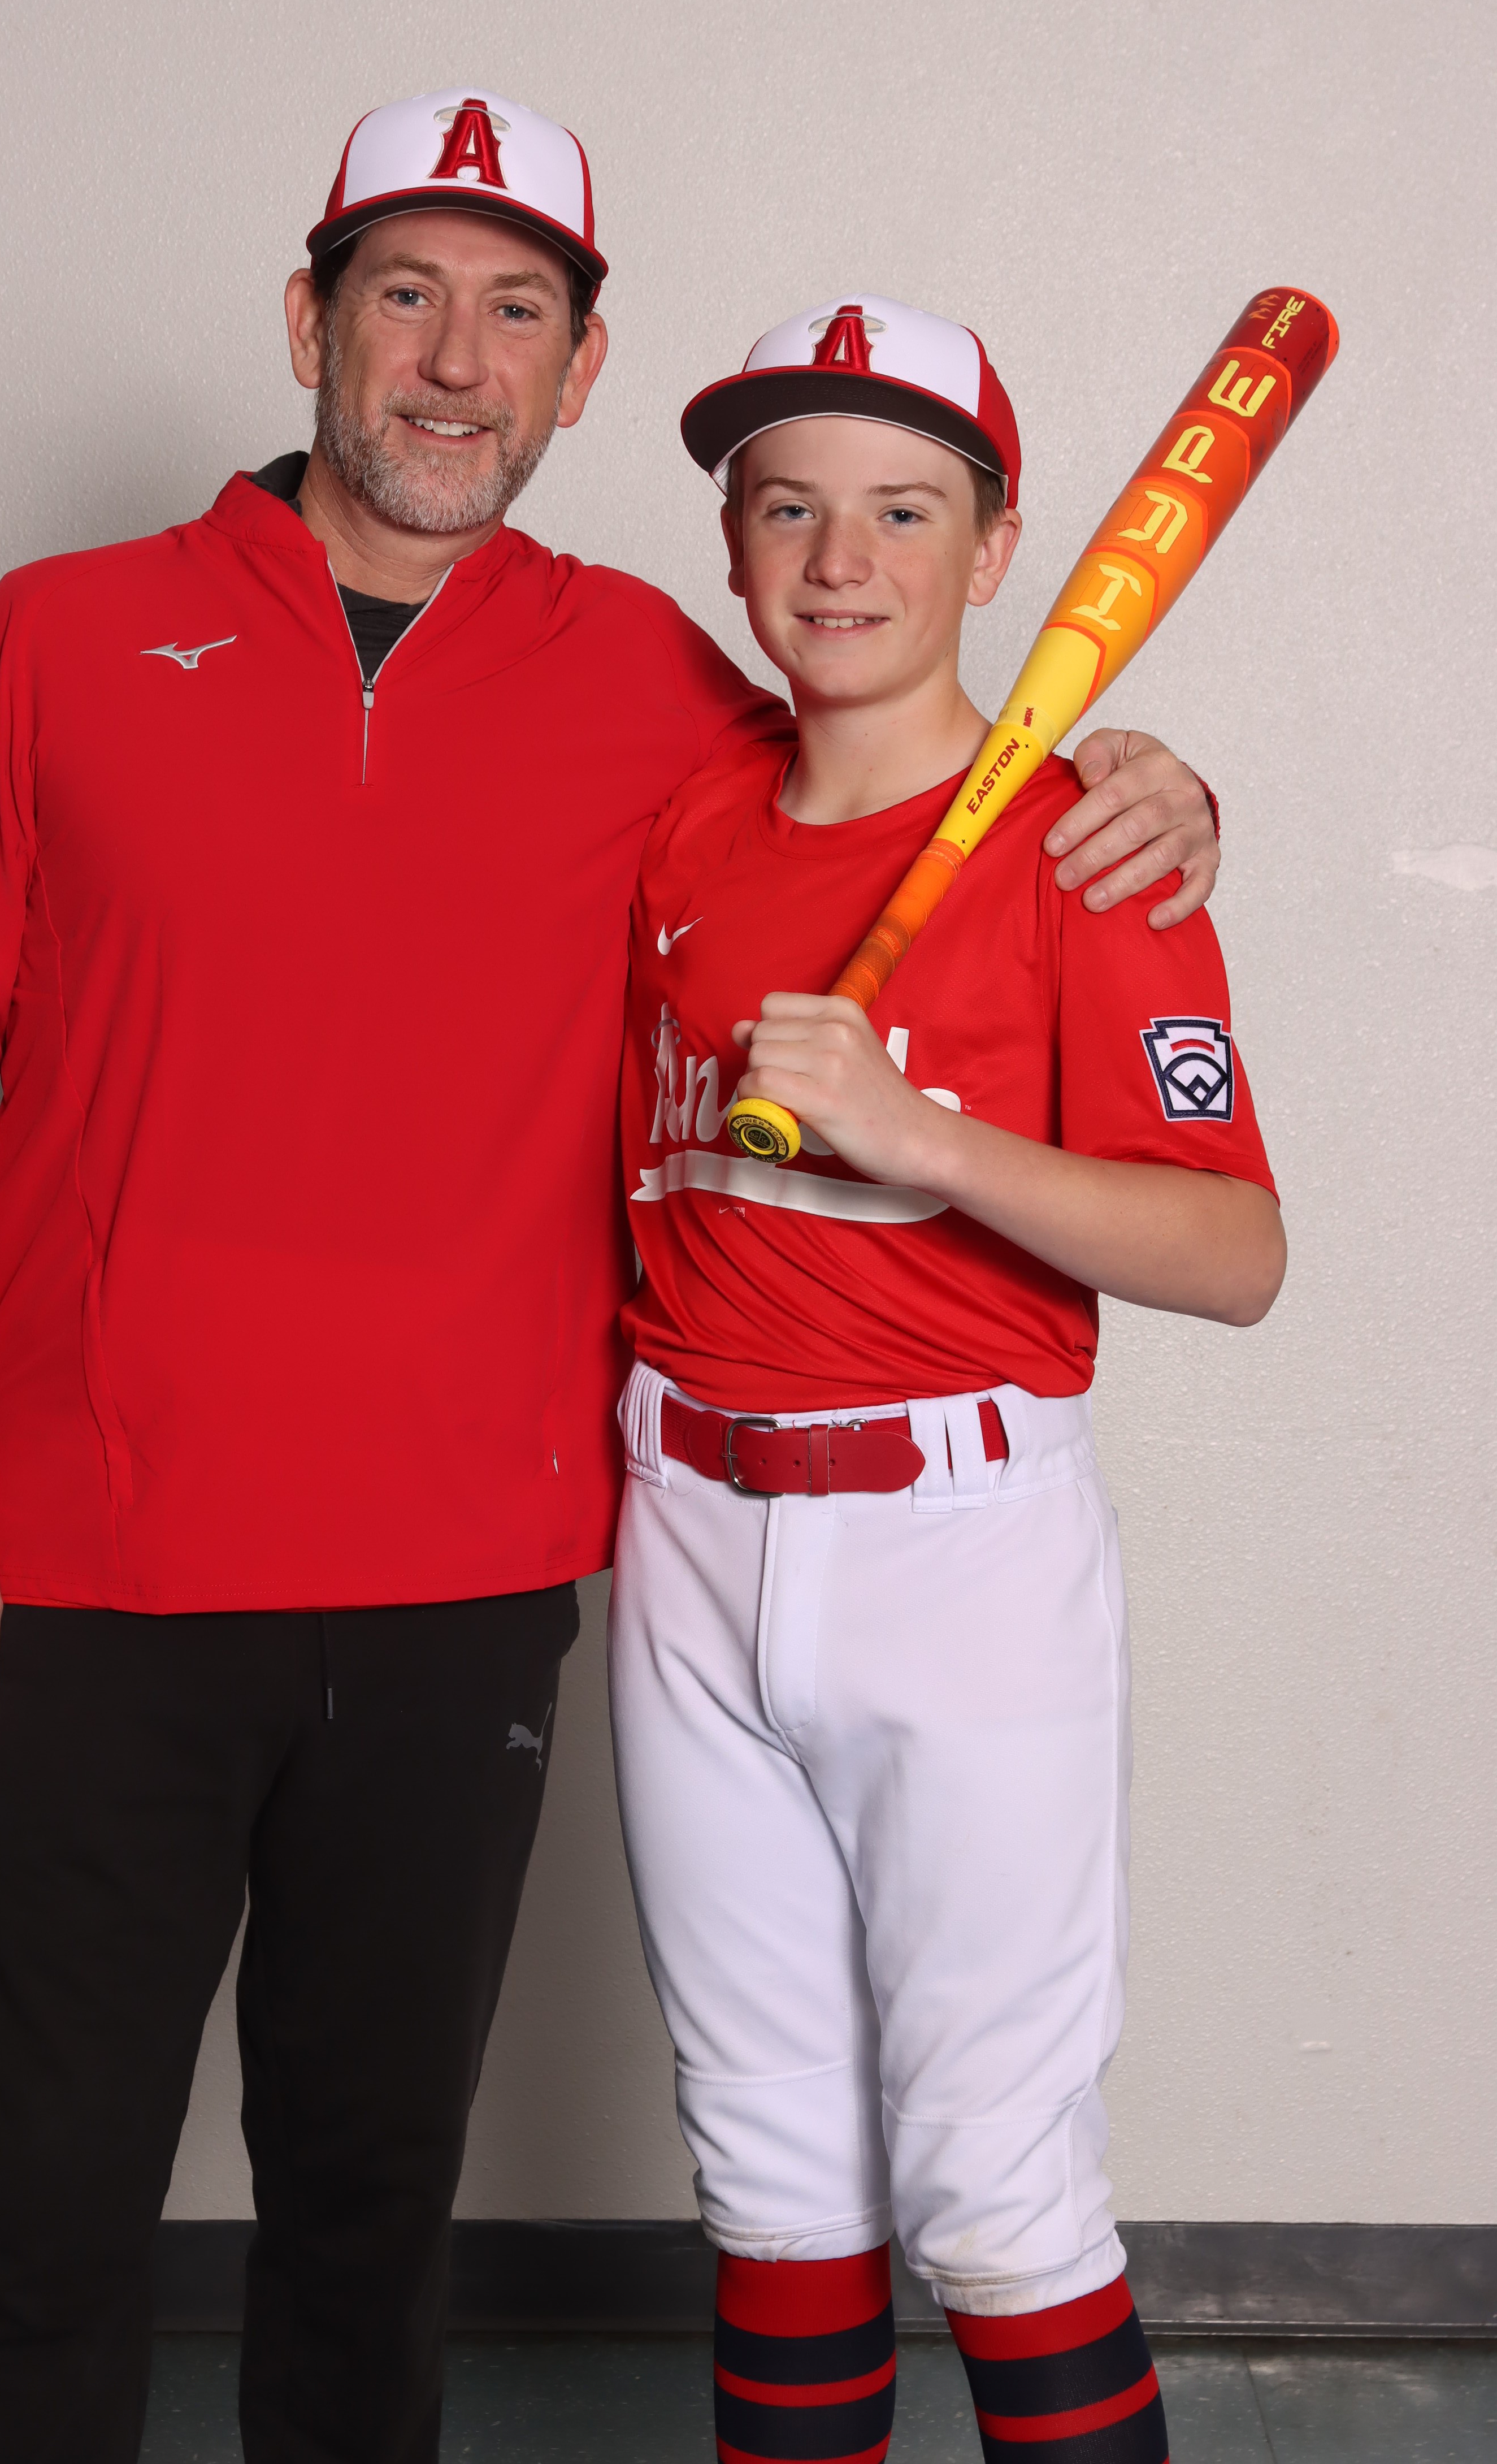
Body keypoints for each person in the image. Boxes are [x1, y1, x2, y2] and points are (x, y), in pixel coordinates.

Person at [0, 93, 1224, 2464]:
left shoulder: (657, 686)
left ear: (581, 369)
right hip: (82, 1563)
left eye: (517, 311)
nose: (455, 363)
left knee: (371, 2225)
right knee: (40, 2216)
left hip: (461, 1582)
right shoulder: (53, 642)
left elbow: (909, 777)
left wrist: (1153, 790)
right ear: (308, 324)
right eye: (405, 295)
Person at [608, 293, 1285, 2464]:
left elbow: (1238, 1258)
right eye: (787, 508)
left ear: (997, 552)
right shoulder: (681, 816)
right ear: (731, 544)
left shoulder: (1093, 851)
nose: (841, 561)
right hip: (680, 1528)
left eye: (904, 511)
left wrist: (932, 1141)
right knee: (770, 2173)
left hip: (955, 1546)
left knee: (997, 2188)